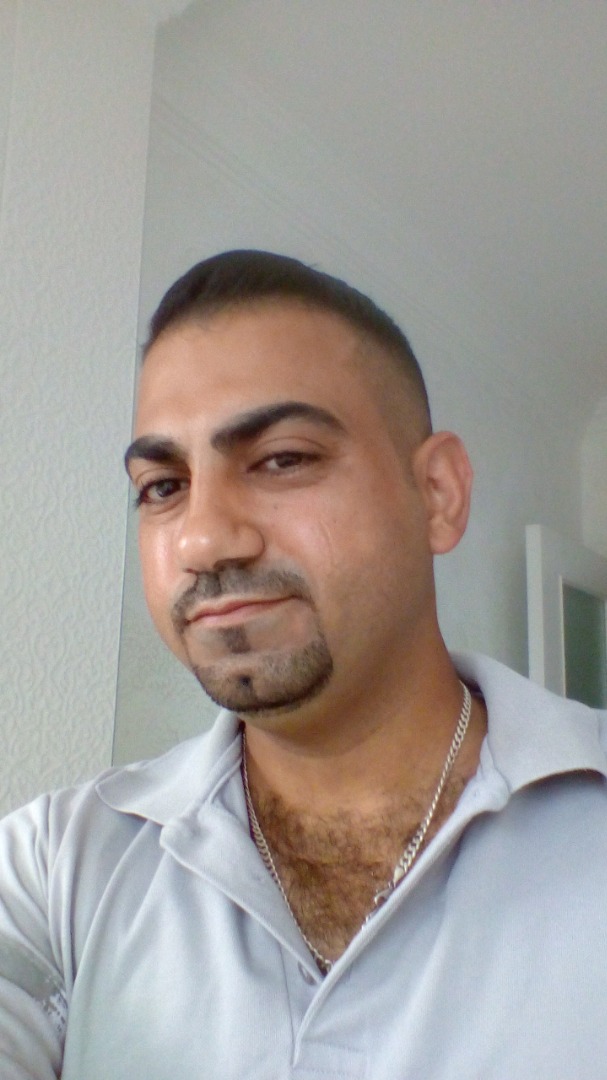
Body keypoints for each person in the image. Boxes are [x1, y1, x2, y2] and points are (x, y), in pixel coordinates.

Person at [1, 250, 607, 1079]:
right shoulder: (52, 871)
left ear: (437, 494)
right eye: (163, 486)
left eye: (281, 459)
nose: (204, 539)